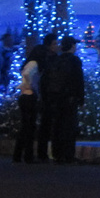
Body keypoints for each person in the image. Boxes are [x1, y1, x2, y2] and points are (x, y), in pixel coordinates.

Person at [42, 36, 85, 163]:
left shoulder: (56, 60)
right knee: (69, 127)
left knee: (57, 126)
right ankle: (68, 155)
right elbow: (79, 81)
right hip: (70, 98)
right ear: (72, 46)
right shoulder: (74, 60)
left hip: (55, 97)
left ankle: (57, 154)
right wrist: (81, 98)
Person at [32, 33, 58, 162]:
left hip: (44, 94)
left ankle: (41, 153)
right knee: (47, 124)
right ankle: (44, 153)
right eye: (55, 44)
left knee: (44, 124)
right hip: (47, 95)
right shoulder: (49, 59)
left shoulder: (42, 56)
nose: (57, 46)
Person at [12, 51, 40, 163]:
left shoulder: (29, 63)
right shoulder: (34, 64)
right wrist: (31, 86)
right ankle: (27, 155)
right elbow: (27, 74)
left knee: (25, 127)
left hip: (24, 96)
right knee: (29, 127)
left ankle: (19, 155)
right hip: (29, 96)